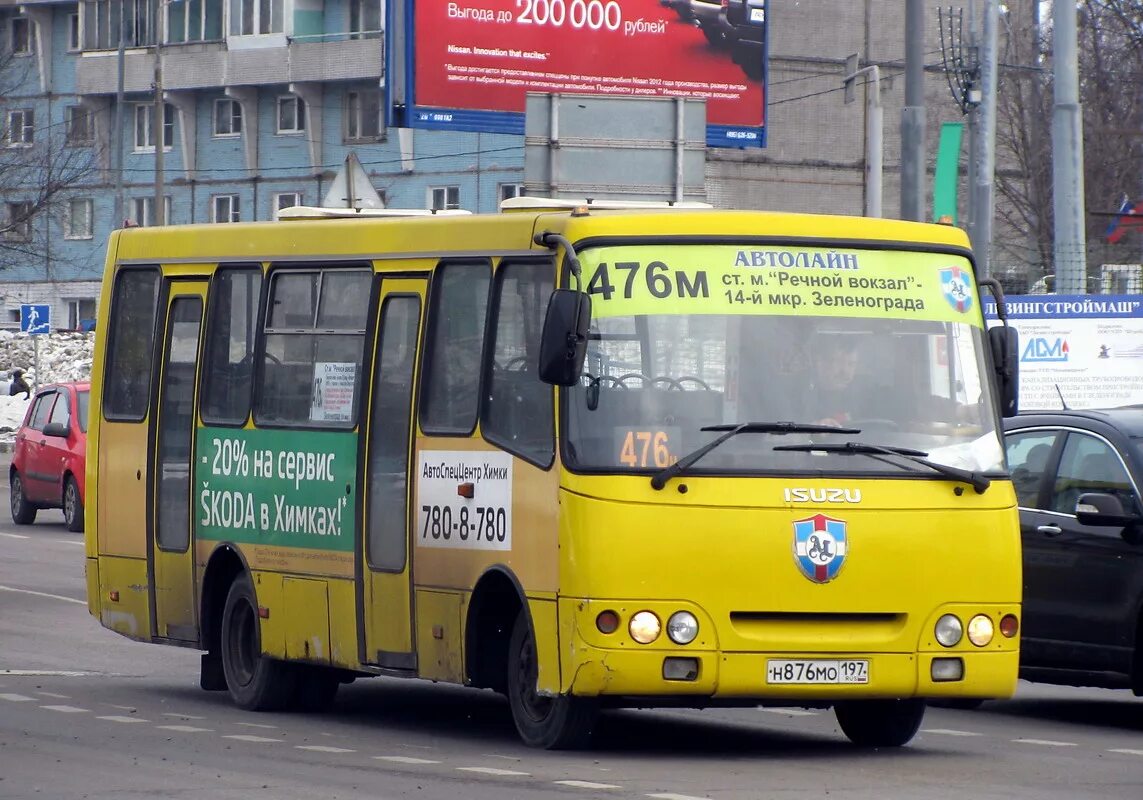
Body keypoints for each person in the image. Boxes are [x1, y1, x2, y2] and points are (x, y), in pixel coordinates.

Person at [805, 336, 862, 426]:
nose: (845, 372)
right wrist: (813, 430)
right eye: (838, 362)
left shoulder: (864, 398)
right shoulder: (801, 398)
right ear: (819, 363)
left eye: (851, 364)